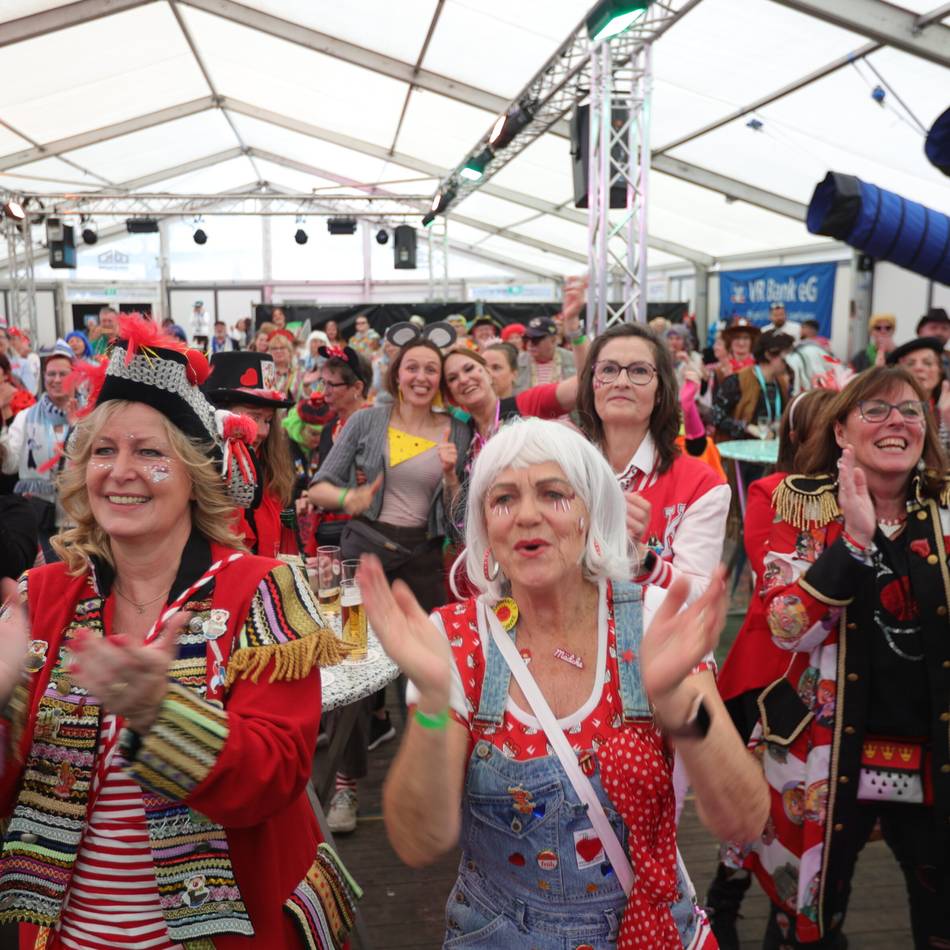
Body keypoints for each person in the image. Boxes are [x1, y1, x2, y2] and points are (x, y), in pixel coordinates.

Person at [0, 315, 352, 949]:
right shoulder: (42, 597)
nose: (120, 470)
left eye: (149, 452)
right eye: (104, 451)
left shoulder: (261, 590)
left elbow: (275, 776)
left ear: (196, 475)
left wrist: (163, 717)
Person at [361, 418, 768, 947]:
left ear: (590, 514)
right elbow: (420, 840)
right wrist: (435, 702)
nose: (527, 514)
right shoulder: (456, 640)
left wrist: (677, 701)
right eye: (503, 499)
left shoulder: (648, 620)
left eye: (554, 494)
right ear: (487, 525)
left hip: (653, 929)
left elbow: (744, 820)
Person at [742, 366, 950, 949]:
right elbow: (785, 628)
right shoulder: (801, 505)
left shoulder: (946, 507)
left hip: (930, 750)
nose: (897, 422)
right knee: (807, 916)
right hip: (825, 755)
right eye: (876, 410)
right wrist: (853, 545)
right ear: (841, 432)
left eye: (911, 411)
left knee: (941, 911)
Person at [307, 333, 470, 834]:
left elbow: (461, 521)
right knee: (354, 672)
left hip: (421, 558)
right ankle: (345, 787)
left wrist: (450, 479)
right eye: (412, 368)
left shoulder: (456, 431)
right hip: (366, 555)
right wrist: (350, 498)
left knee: (431, 671)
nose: (421, 377)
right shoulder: (367, 420)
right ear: (395, 373)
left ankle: (432, 782)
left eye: (430, 370)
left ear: (439, 381)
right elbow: (319, 487)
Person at [703, 388, 837, 948]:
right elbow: (782, 585)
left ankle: (786, 918)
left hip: (837, 680)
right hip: (769, 676)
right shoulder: (775, 493)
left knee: (814, 816)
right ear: (802, 437)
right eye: (833, 426)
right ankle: (727, 898)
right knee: (753, 807)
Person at [577, 323, 731, 605]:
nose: (621, 382)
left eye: (639, 371)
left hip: (658, 645)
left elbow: (699, 596)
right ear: (592, 384)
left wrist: (641, 559)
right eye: (608, 370)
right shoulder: (565, 471)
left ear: (660, 391)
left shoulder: (701, 483)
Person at [204, 351, 297, 558]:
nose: (263, 431)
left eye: (268, 420)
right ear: (220, 414)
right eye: (254, 417)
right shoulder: (198, 482)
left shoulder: (271, 471)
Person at [0, 346, 75, 558]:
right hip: (40, 518)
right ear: (44, 377)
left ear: (75, 377)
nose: (56, 379)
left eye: (63, 374)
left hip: (79, 519)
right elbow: (9, 465)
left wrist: (77, 427)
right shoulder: (26, 417)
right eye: (51, 374)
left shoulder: (90, 415)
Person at [713, 331, 795, 443]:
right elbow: (717, 416)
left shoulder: (781, 383)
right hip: (740, 453)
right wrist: (747, 427)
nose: (788, 362)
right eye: (785, 357)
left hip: (771, 450)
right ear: (769, 355)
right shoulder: (737, 381)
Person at [515, 316, 576, 393]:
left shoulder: (573, 360)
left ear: (553, 340)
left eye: (536, 339)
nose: (530, 344)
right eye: (526, 339)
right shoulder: (517, 362)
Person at [267, 328, 302, 400]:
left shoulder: (299, 373)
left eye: (282, 348)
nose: (278, 351)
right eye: (274, 348)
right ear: (269, 352)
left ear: (289, 351)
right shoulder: (266, 373)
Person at [666, 323, 703, 387]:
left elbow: (700, 376)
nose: (674, 342)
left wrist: (687, 360)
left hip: (688, 395)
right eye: (671, 338)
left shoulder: (694, 356)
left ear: (685, 340)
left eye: (678, 338)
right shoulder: (665, 356)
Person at [7, 328, 40, 395]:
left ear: (20, 339)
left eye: (13, 339)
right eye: (9, 339)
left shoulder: (32, 357)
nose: (11, 342)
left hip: (29, 398)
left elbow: (30, 382)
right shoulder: (12, 357)